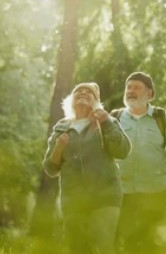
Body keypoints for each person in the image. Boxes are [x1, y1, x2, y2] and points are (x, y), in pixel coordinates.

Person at [43, 82, 131, 254]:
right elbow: (50, 168)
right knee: (77, 248)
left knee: (104, 246)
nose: (83, 93)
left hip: (105, 196)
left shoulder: (107, 121)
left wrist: (105, 123)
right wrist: (59, 148)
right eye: (78, 91)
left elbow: (123, 151)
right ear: (70, 100)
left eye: (88, 92)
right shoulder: (61, 127)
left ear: (96, 101)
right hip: (74, 200)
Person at [114, 72, 166, 253]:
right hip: (121, 194)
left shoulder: (162, 118)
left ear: (149, 94)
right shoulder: (115, 118)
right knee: (121, 246)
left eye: (136, 87)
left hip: (155, 194)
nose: (131, 91)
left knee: (152, 245)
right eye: (129, 87)